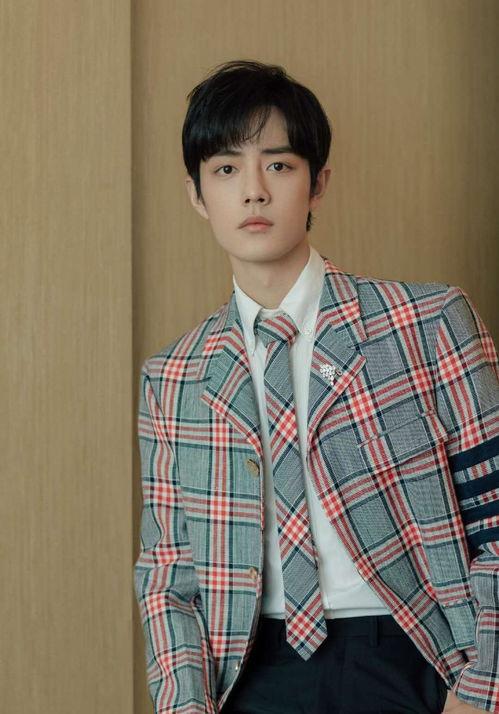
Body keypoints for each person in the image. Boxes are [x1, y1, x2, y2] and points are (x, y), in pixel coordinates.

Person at [134, 60, 499, 713]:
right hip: (249, 675)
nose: (253, 192)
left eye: (278, 165)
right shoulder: (174, 377)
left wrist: (480, 690)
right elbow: (168, 576)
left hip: (416, 662)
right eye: (226, 169)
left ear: (317, 182)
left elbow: (496, 523)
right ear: (197, 195)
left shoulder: (429, 324)